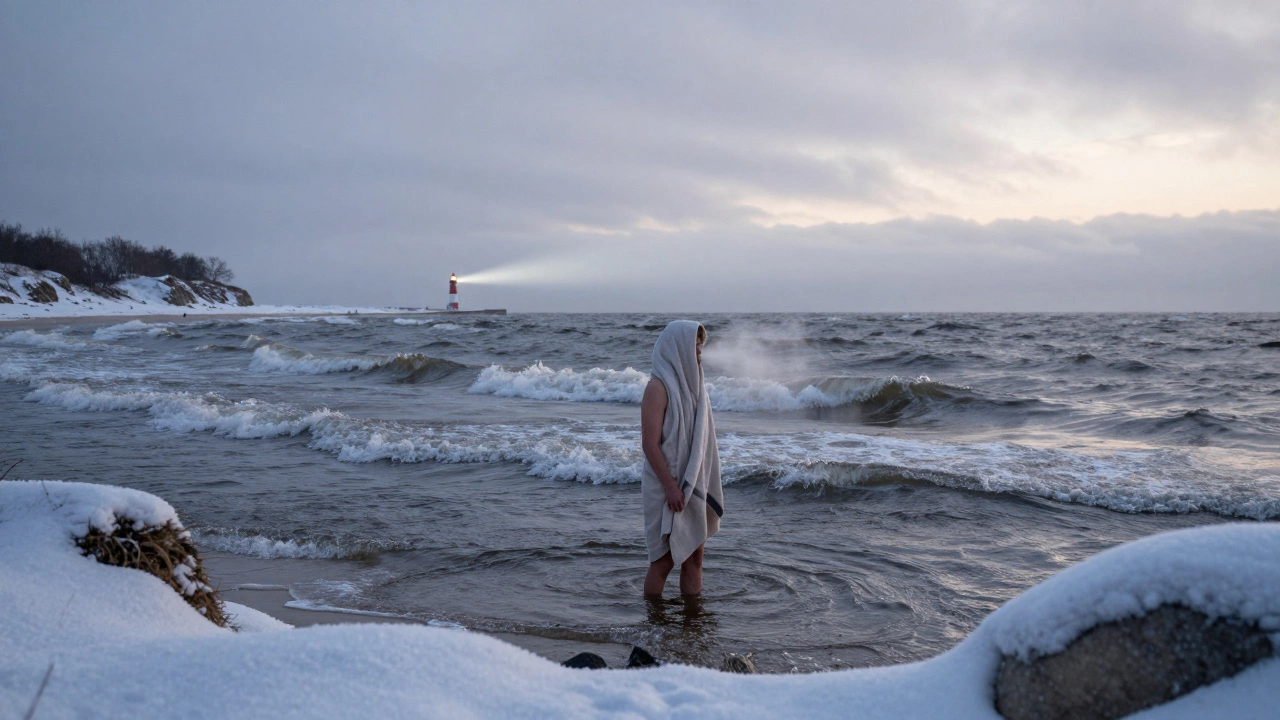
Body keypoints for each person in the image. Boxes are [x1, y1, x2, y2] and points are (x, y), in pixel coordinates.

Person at [640, 320, 724, 597]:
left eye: (700, 346)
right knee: (663, 561)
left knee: (694, 557)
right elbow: (650, 445)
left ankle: (692, 625)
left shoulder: (696, 390)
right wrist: (671, 487)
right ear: (677, 348)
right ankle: (653, 623)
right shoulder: (657, 388)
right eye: (694, 346)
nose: (699, 352)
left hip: (689, 484)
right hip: (666, 486)